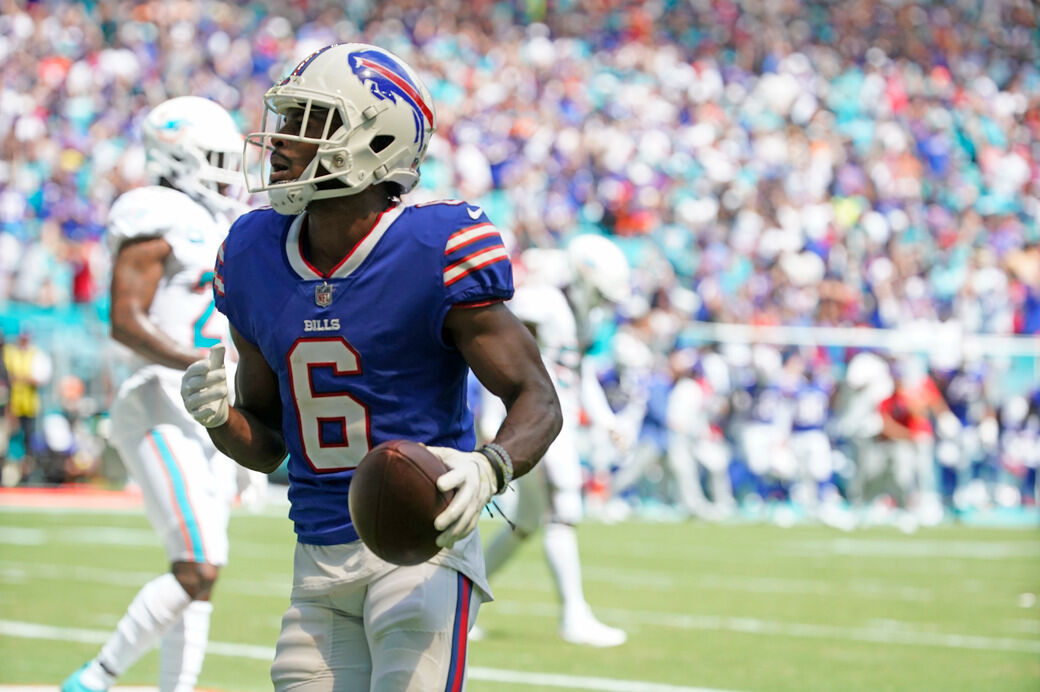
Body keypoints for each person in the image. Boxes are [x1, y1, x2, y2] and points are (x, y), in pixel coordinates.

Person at [178, 43, 561, 690]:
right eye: (286, 117)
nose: (280, 140)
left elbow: (537, 397)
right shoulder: (251, 253)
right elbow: (269, 443)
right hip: (317, 557)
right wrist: (219, 419)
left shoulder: (433, 247)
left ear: (373, 139)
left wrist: (490, 467)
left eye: (309, 121)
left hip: (424, 552)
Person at [62, 95, 261, 692]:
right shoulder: (154, 212)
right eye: (217, 158)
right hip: (160, 399)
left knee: (204, 573)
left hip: (208, 409)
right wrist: (203, 363)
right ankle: (95, 678)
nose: (230, 171)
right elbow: (125, 319)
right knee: (198, 565)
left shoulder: (225, 225)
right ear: (179, 157)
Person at [474, 234, 630, 647]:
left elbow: (575, 370)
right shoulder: (543, 303)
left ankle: (462, 606)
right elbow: (502, 359)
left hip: (548, 420)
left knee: (525, 524)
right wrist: (493, 418)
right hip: (532, 420)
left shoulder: (578, 313)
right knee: (563, 511)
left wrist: (605, 419)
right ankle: (574, 615)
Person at [3, 329, 51, 483]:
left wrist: (22, 379)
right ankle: (9, 475)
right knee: (9, 442)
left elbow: (39, 378)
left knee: (29, 443)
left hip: (28, 407)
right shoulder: (10, 353)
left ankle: (27, 475)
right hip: (12, 406)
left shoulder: (35, 354)